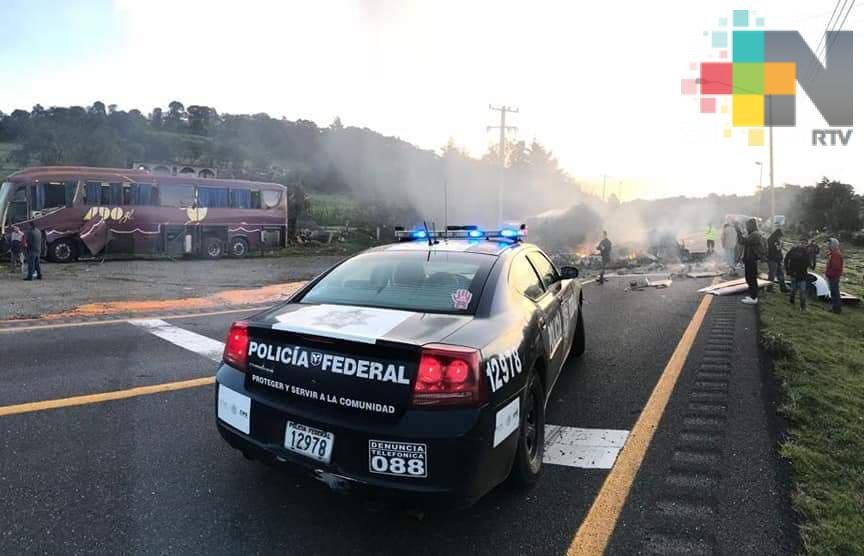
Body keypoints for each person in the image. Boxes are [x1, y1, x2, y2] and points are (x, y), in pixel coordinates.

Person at [737, 218, 763, 305]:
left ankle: (754, 297)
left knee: (751, 278)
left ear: (751, 225)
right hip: (750, 260)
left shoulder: (755, 234)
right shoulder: (753, 234)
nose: (746, 227)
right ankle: (752, 296)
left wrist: (737, 229)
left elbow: (742, 241)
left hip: (752, 260)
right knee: (749, 278)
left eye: (747, 226)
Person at [784, 237, 810, 311]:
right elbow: (786, 258)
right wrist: (787, 270)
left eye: (805, 243)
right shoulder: (794, 249)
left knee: (802, 291)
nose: (803, 244)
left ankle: (803, 307)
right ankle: (791, 301)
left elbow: (808, 264)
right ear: (799, 242)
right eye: (802, 243)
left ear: (806, 244)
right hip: (794, 274)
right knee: (793, 289)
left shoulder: (806, 252)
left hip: (802, 275)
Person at [766, 228, 789, 293]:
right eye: (780, 236)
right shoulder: (772, 240)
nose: (780, 237)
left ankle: (783, 288)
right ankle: (769, 288)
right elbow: (777, 249)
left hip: (777, 260)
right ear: (777, 235)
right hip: (772, 259)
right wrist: (781, 245)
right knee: (772, 275)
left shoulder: (774, 239)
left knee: (781, 274)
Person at [825, 238, 844, 314]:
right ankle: (835, 308)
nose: (828, 245)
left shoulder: (836, 254)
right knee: (834, 292)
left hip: (833, 277)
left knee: (835, 293)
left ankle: (836, 309)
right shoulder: (833, 253)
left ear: (834, 245)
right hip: (832, 276)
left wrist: (829, 275)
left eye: (829, 244)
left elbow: (835, 267)